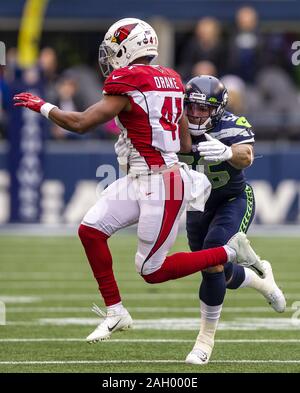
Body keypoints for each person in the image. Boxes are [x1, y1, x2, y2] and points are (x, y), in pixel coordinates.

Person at [13, 18, 261, 352]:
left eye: (114, 50)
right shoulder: (172, 77)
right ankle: (116, 311)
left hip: (161, 184)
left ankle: (230, 251)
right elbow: (185, 142)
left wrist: (42, 106)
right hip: (142, 177)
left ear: (129, 49)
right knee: (90, 229)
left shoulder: (127, 78)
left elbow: (82, 122)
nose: (110, 58)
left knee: (151, 271)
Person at [181, 75, 286, 365]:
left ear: (217, 109)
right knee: (216, 272)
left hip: (232, 199)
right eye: (191, 107)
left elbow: (246, 155)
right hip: (197, 206)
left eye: (203, 109)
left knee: (213, 260)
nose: (195, 114)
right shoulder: (174, 124)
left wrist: (228, 152)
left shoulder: (231, 124)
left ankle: (204, 341)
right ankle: (263, 281)